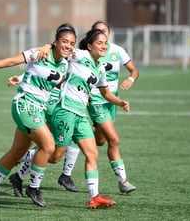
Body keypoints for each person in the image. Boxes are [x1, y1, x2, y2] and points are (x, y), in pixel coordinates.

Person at [9, 28, 130, 208]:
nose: (104, 46)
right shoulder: (79, 55)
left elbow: (105, 93)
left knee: (92, 153)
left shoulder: (100, 68)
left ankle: (94, 197)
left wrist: (120, 102)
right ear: (89, 46)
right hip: (65, 111)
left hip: (80, 115)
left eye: (106, 43)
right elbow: (59, 48)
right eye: (100, 43)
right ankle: (22, 156)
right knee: (55, 156)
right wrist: (45, 46)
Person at [0, 23, 76, 208]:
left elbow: (52, 81)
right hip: (24, 104)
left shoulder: (65, 64)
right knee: (48, 146)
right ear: (55, 42)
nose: (68, 46)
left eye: (72, 43)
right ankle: (33, 188)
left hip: (38, 110)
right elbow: (12, 60)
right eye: (64, 41)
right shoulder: (40, 53)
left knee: (17, 152)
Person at [57, 20, 139, 194]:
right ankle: (122, 182)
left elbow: (131, 72)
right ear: (91, 41)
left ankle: (67, 164)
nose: (102, 41)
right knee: (114, 139)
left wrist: (123, 95)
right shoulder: (81, 55)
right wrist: (46, 48)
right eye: (98, 36)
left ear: (108, 34)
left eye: (105, 35)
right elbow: (61, 54)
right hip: (93, 102)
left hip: (109, 101)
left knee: (98, 141)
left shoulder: (112, 55)